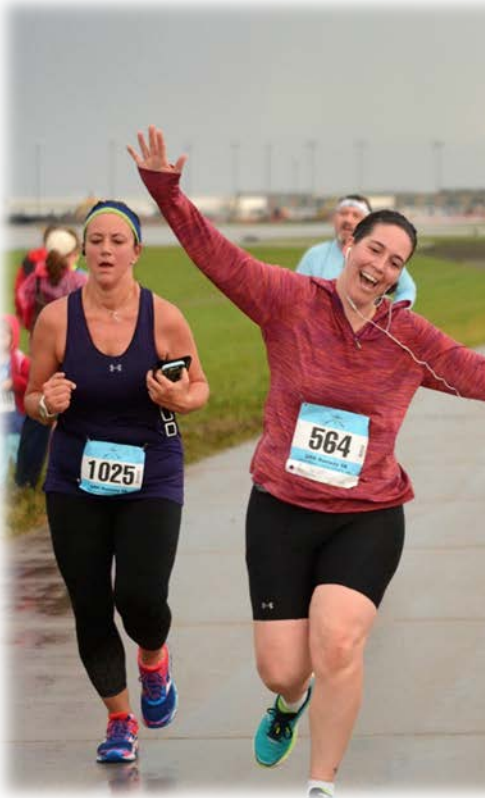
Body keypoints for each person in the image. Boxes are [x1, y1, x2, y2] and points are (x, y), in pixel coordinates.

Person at [130, 126, 485, 798]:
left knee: (338, 644)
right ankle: (288, 705)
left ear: (400, 274)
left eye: (395, 261)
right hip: (280, 507)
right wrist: (167, 192)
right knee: (282, 669)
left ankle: (322, 784)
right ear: (348, 247)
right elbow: (216, 256)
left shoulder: (408, 338)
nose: (381, 267)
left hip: (368, 513)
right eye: (374, 250)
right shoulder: (289, 301)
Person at [24, 198, 211, 765]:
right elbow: (32, 397)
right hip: (74, 476)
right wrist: (46, 404)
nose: (106, 249)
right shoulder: (56, 320)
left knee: (140, 595)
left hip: (151, 470)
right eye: (96, 240)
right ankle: (119, 719)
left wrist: (181, 397)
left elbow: (198, 387)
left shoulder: (165, 317)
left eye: (116, 240)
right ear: (84, 249)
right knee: (89, 603)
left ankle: (153, 662)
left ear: (137, 250)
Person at [14, 228, 89, 489]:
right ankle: (78, 477)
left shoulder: (34, 280)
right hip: (75, 354)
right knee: (81, 416)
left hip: (42, 353)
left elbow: (22, 306)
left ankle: (25, 479)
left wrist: (35, 332)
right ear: (73, 253)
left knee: (38, 413)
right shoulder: (80, 282)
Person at [297, 194, 417, 306]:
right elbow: (298, 293)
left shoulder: (386, 262)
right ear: (334, 218)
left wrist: (393, 318)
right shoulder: (314, 255)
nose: (348, 220)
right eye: (343, 213)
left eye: (356, 215)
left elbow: (407, 290)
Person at [2, 314, 30, 484]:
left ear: (13, 337)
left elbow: (29, 382)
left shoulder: (19, 360)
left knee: (17, 448)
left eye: (3, 336)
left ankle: (22, 481)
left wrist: (13, 382)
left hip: (16, 416)